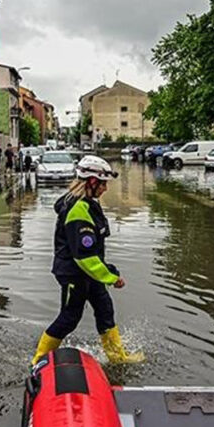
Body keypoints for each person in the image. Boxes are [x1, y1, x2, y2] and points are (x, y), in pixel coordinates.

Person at [30, 155, 144, 365]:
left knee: (105, 310)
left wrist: (104, 273)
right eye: (103, 184)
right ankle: (38, 361)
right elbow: (84, 256)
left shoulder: (88, 203)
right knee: (69, 318)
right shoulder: (78, 210)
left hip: (90, 273)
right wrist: (111, 277)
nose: (105, 189)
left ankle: (118, 358)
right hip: (75, 273)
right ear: (91, 182)